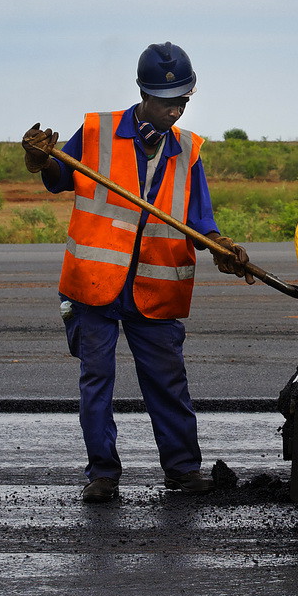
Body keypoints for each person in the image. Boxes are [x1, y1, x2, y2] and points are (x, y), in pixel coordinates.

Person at [22, 42, 252, 504]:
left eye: (183, 101)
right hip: (95, 285)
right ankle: (102, 474)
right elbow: (57, 178)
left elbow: (198, 216)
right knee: (97, 383)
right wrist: (39, 158)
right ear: (143, 94)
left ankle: (183, 470)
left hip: (155, 285)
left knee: (169, 383)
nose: (175, 111)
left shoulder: (188, 149)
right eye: (168, 102)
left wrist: (219, 245)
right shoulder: (96, 132)